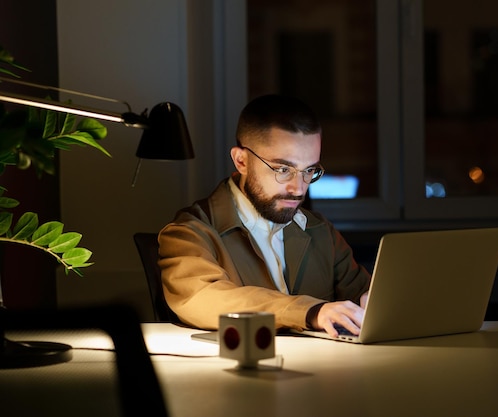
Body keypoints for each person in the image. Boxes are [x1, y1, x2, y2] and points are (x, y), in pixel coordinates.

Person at [158, 94, 371, 338]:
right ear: (241, 161)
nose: (298, 188)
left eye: (309, 170)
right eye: (283, 169)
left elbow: (365, 297)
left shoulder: (321, 231)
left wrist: (374, 302)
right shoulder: (189, 232)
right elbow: (203, 297)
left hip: (326, 373)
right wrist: (310, 311)